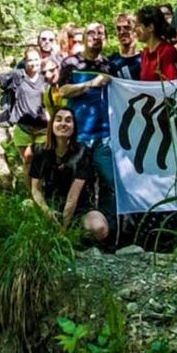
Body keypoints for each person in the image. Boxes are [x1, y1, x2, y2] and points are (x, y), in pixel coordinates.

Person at [58, 22, 116, 238]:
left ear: (106, 39)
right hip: (79, 135)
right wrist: (91, 83)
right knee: (77, 185)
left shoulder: (110, 65)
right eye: (91, 33)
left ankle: (110, 232)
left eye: (101, 33)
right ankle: (73, 232)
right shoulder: (71, 62)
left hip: (105, 135)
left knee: (110, 182)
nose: (96, 37)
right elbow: (62, 91)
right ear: (83, 38)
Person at [30, 108, 110, 241]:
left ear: (74, 127)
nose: (63, 124)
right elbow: (35, 189)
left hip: (80, 209)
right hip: (52, 208)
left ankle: (76, 237)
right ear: (52, 125)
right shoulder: (40, 151)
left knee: (99, 228)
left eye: (68, 120)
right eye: (58, 119)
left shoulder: (82, 151)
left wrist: (63, 231)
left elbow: (73, 197)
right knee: (25, 209)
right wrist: (47, 211)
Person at [0, 45, 48, 179]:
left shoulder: (46, 77)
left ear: (41, 59)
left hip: (43, 128)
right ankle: (31, 194)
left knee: (43, 161)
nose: (33, 63)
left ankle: (45, 193)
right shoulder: (18, 77)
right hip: (23, 128)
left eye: (36, 59)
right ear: (25, 61)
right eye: (30, 60)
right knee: (28, 161)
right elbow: (0, 78)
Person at [135, 5, 177, 81]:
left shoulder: (167, 51)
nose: (134, 29)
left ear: (150, 27)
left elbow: (171, 86)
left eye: (138, 25)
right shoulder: (145, 54)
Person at [107, 13, 142, 80]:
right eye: (118, 29)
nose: (122, 32)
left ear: (136, 31)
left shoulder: (145, 60)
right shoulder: (111, 61)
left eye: (127, 28)